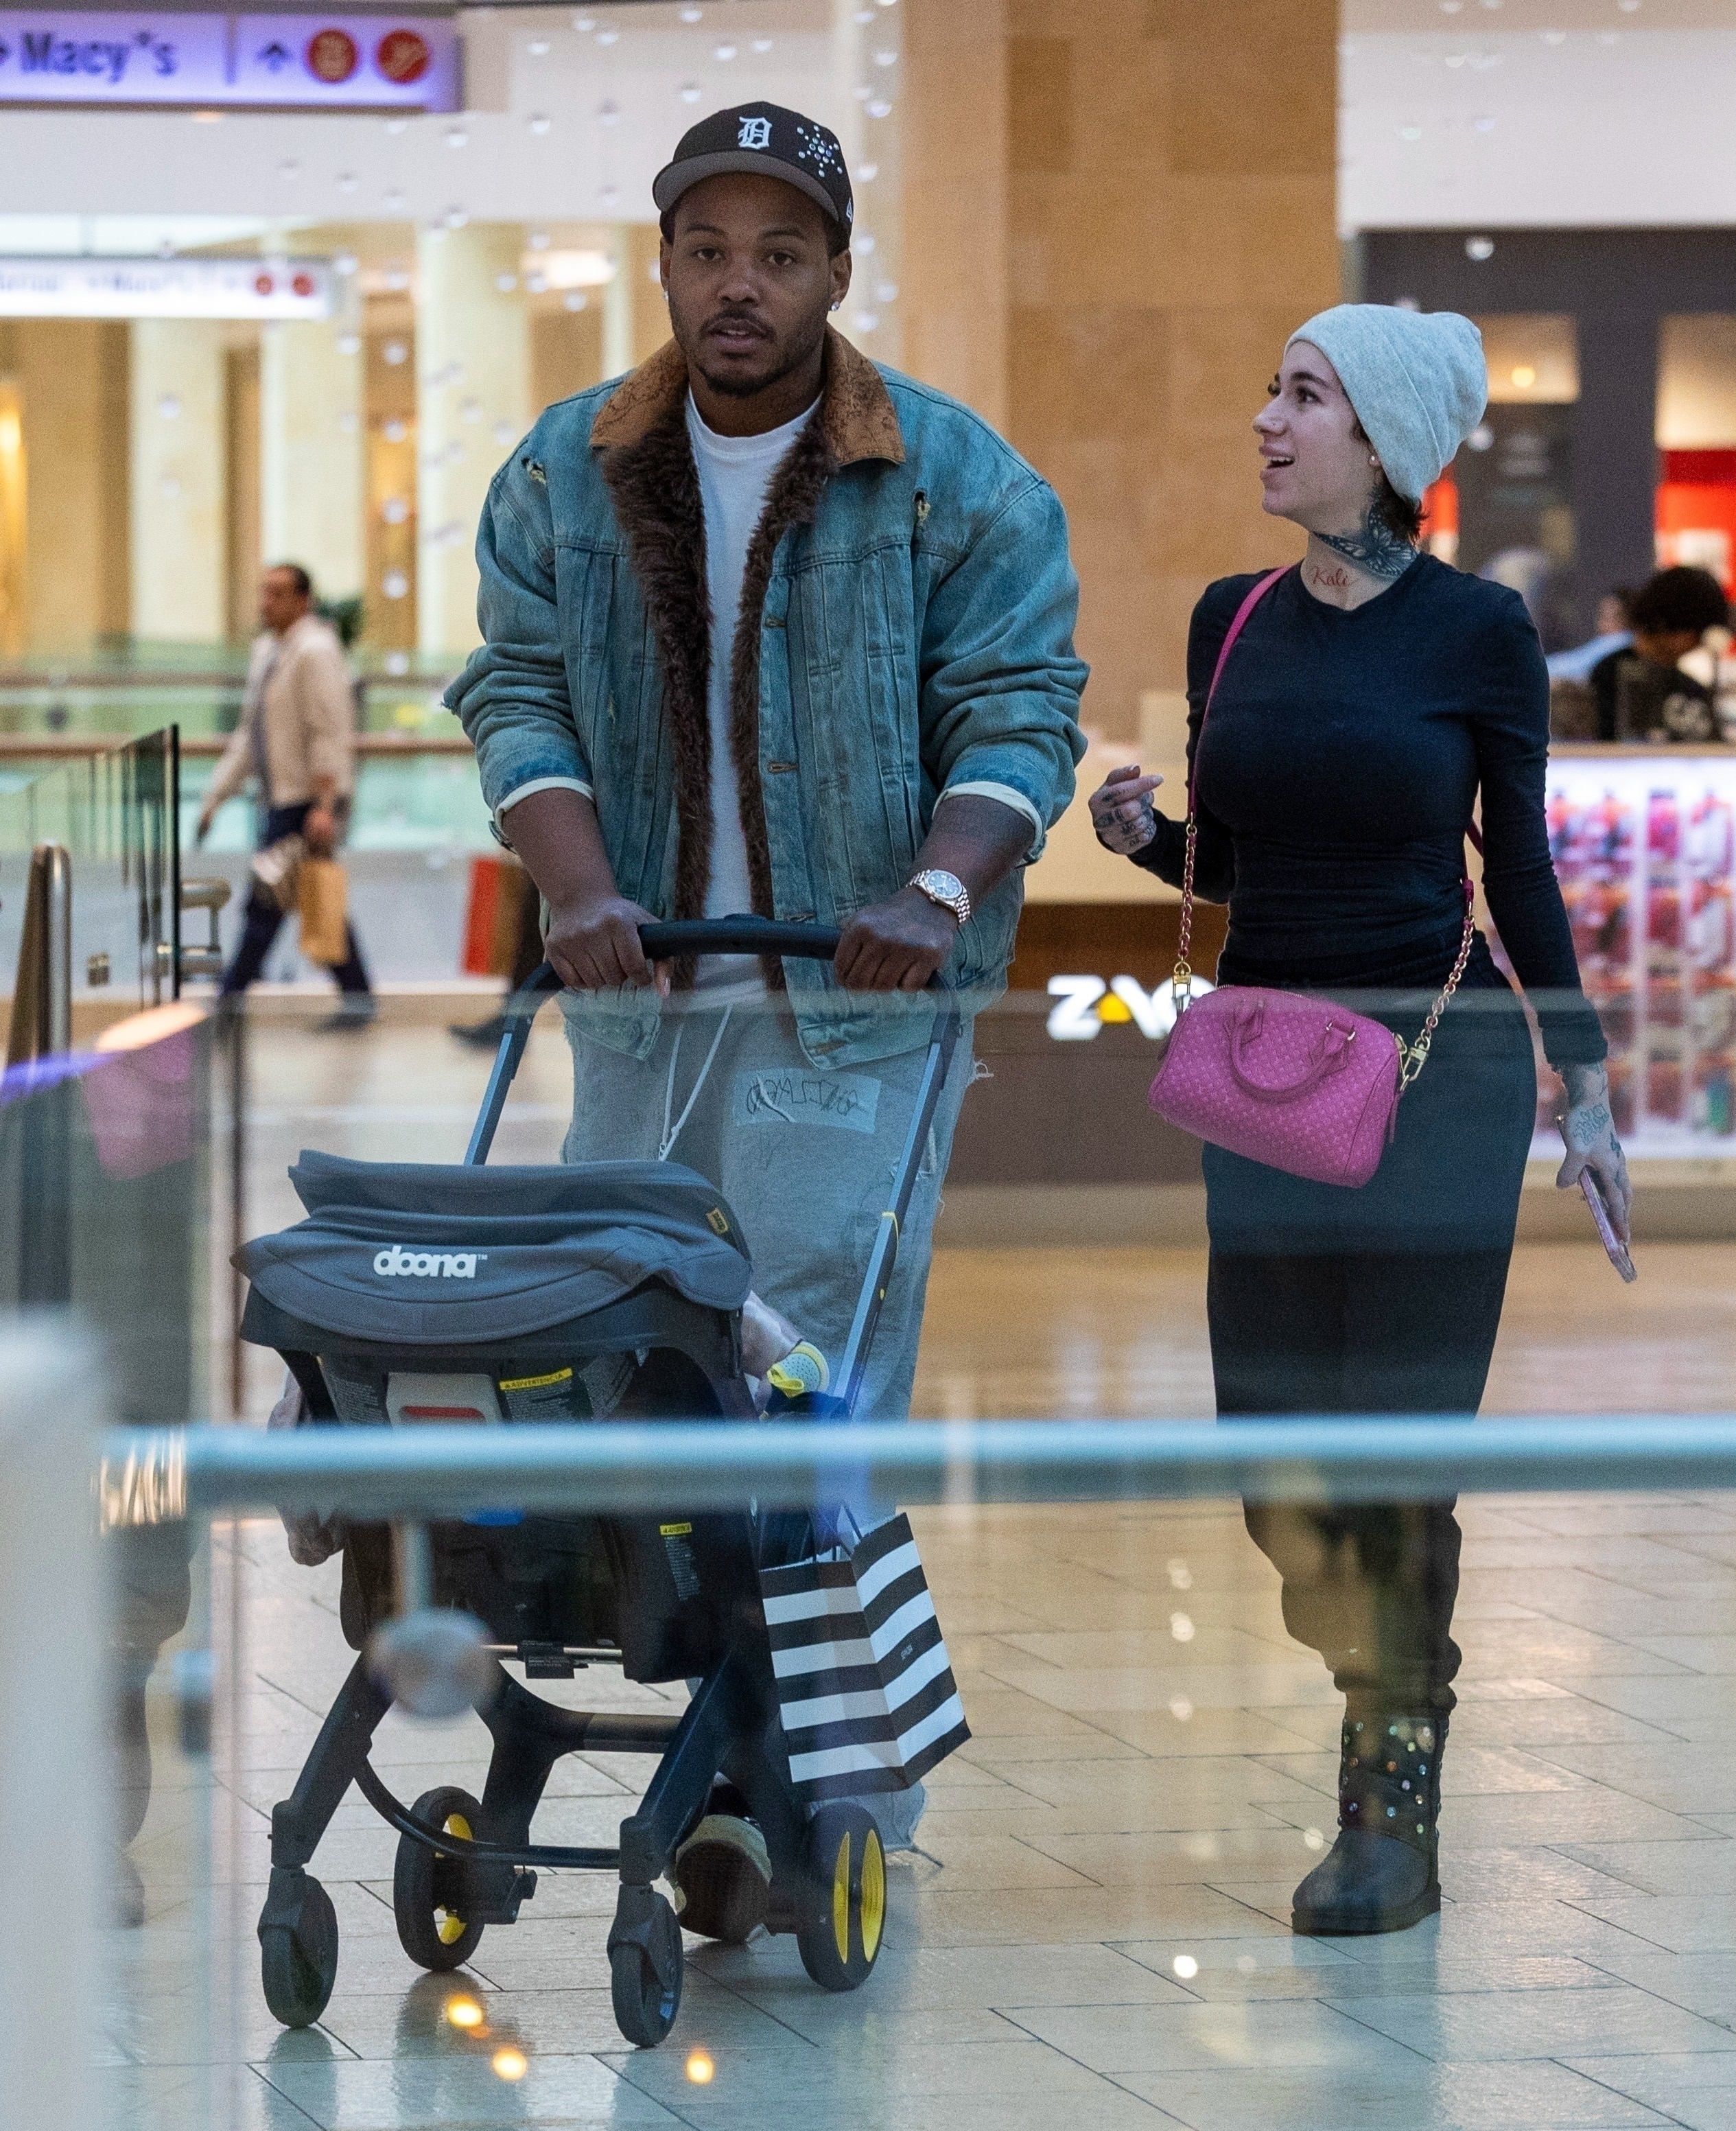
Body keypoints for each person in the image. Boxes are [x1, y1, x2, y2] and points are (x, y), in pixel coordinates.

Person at [447, 102, 1086, 1931]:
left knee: (801, 1391)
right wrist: (575, 887)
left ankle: (806, 1776)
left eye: (780, 253)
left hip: (852, 1022)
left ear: (834, 273)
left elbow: (1022, 706)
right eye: (708, 250)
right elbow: (516, 688)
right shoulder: (563, 468)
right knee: (623, 1374)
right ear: (663, 265)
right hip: (637, 1019)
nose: (741, 286)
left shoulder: (951, 478)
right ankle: (713, 1734)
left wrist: (940, 888)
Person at [1089, 304, 1628, 1938]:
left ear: (1383, 444)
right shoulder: (1227, 620)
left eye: (1302, 395)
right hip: (1267, 1067)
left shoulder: (1474, 634)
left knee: (1392, 1454)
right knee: (1275, 1460)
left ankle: (1389, 1795)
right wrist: (1145, 837)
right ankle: (1386, 1672)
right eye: (1272, 387)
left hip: (1436, 1071)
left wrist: (1587, 1079)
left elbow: (1513, 864)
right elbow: (1247, 865)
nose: (1264, 419)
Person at [198, 563, 375, 1028]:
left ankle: (227, 1005)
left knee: (265, 905)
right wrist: (216, 795)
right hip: (279, 801)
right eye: (264, 592)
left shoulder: (315, 651)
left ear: (303, 601)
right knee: (310, 900)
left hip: (304, 804)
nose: (266, 602)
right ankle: (358, 997)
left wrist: (325, 805)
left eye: (277, 594)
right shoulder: (269, 653)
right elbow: (247, 736)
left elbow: (330, 733)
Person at [1588, 566, 1729, 742]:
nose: (1697, 644)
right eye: (1695, 634)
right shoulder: (1612, 673)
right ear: (1664, 624)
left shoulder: (1691, 686)